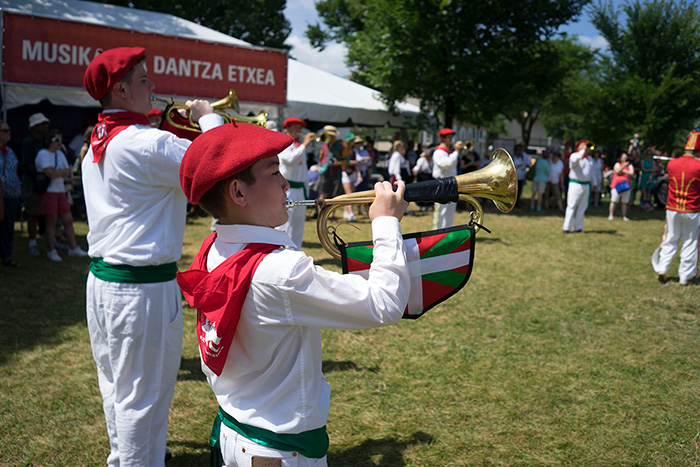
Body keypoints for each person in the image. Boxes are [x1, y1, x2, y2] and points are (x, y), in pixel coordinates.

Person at [176, 122, 410, 466]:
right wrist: (386, 223)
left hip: (235, 433)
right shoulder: (281, 270)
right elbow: (384, 304)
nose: (286, 182)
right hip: (280, 452)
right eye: (274, 172)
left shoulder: (215, 246)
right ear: (239, 194)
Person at [81, 46, 222, 466]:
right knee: (143, 397)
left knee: (118, 390)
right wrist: (207, 118)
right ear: (122, 90)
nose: (153, 87)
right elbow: (219, 164)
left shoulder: (100, 141)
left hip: (105, 283)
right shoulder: (147, 142)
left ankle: (127, 458)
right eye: (144, 80)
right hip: (141, 291)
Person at [651, 131, 700, 285]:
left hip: (673, 208)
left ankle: (663, 267)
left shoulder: (672, 163)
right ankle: (685, 275)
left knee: (670, 238)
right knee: (690, 242)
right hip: (692, 209)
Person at [35, 129, 88, 261]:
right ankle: (51, 250)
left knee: (68, 220)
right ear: (49, 141)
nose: (60, 143)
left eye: (60, 139)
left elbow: (67, 173)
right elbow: (50, 173)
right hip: (49, 192)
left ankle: (73, 248)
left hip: (60, 191)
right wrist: (60, 173)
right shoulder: (43, 154)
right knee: (51, 222)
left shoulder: (60, 154)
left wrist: (58, 172)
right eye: (57, 140)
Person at [276, 117, 315, 250]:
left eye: (299, 128)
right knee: (285, 221)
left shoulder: (298, 146)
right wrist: (305, 144)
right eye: (295, 128)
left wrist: (306, 190)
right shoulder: (284, 143)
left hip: (299, 188)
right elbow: (290, 160)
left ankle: (295, 249)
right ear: (287, 129)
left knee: (299, 222)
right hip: (288, 188)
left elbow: (303, 170)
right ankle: (281, 249)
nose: (298, 130)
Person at [21, 112, 51, 257]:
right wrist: (44, 168)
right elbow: (28, 165)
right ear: (34, 127)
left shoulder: (46, 141)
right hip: (31, 182)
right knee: (32, 212)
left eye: (46, 123)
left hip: (45, 182)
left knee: (47, 212)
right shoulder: (28, 142)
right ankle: (32, 243)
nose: (46, 126)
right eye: (42, 124)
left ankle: (50, 240)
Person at [0, 120, 22, 267]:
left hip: (12, 194)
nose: (8, 133)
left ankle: (6, 256)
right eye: (5, 130)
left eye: (8, 130)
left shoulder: (10, 151)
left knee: (8, 226)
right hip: (1, 194)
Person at [432, 128, 462, 229]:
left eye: (452, 137)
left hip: (450, 184)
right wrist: (456, 152)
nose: (451, 139)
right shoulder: (439, 152)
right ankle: (437, 233)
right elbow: (446, 164)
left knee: (450, 210)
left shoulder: (448, 152)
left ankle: (447, 232)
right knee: (441, 211)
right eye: (449, 137)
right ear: (443, 138)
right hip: (441, 184)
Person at [562, 139, 593, 233]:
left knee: (582, 207)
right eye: (583, 145)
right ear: (579, 147)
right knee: (571, 206)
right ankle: (566, 227)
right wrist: (582, 151)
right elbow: (574, 162)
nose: (585, 147)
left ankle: (578, 227)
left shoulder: (589, 158)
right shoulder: (574, 155)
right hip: (575, 184)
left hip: (586, 184)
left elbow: (591, 172)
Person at [315, 125, 342, 217]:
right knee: (322, 194)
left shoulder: (340, 146)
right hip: (324, 172)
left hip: (335, 173)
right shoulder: (323, 145)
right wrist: (319, 165)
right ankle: (320, 215)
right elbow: (321, 158)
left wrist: (338, 163)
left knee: (335, 196)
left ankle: (332, 215)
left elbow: (346, 160)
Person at [608, 152, 634, 222]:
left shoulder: (630, 165)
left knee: (624, 202)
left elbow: (631, 173)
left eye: (626, 157)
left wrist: (623, 170)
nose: (625, 158)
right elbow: (617, 172)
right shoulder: (617, 164)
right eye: (623, 157)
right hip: (616, 186)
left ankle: (624, 216)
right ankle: (611, 215)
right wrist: (623, 166)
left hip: (626, 186)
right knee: (614, 201)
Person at [512, 143, 531, 209]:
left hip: (521, 175)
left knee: (519, 190)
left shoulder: (524, 156)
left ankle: (517, 202)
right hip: (514, 175)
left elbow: (528, 164)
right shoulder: (513, 156)